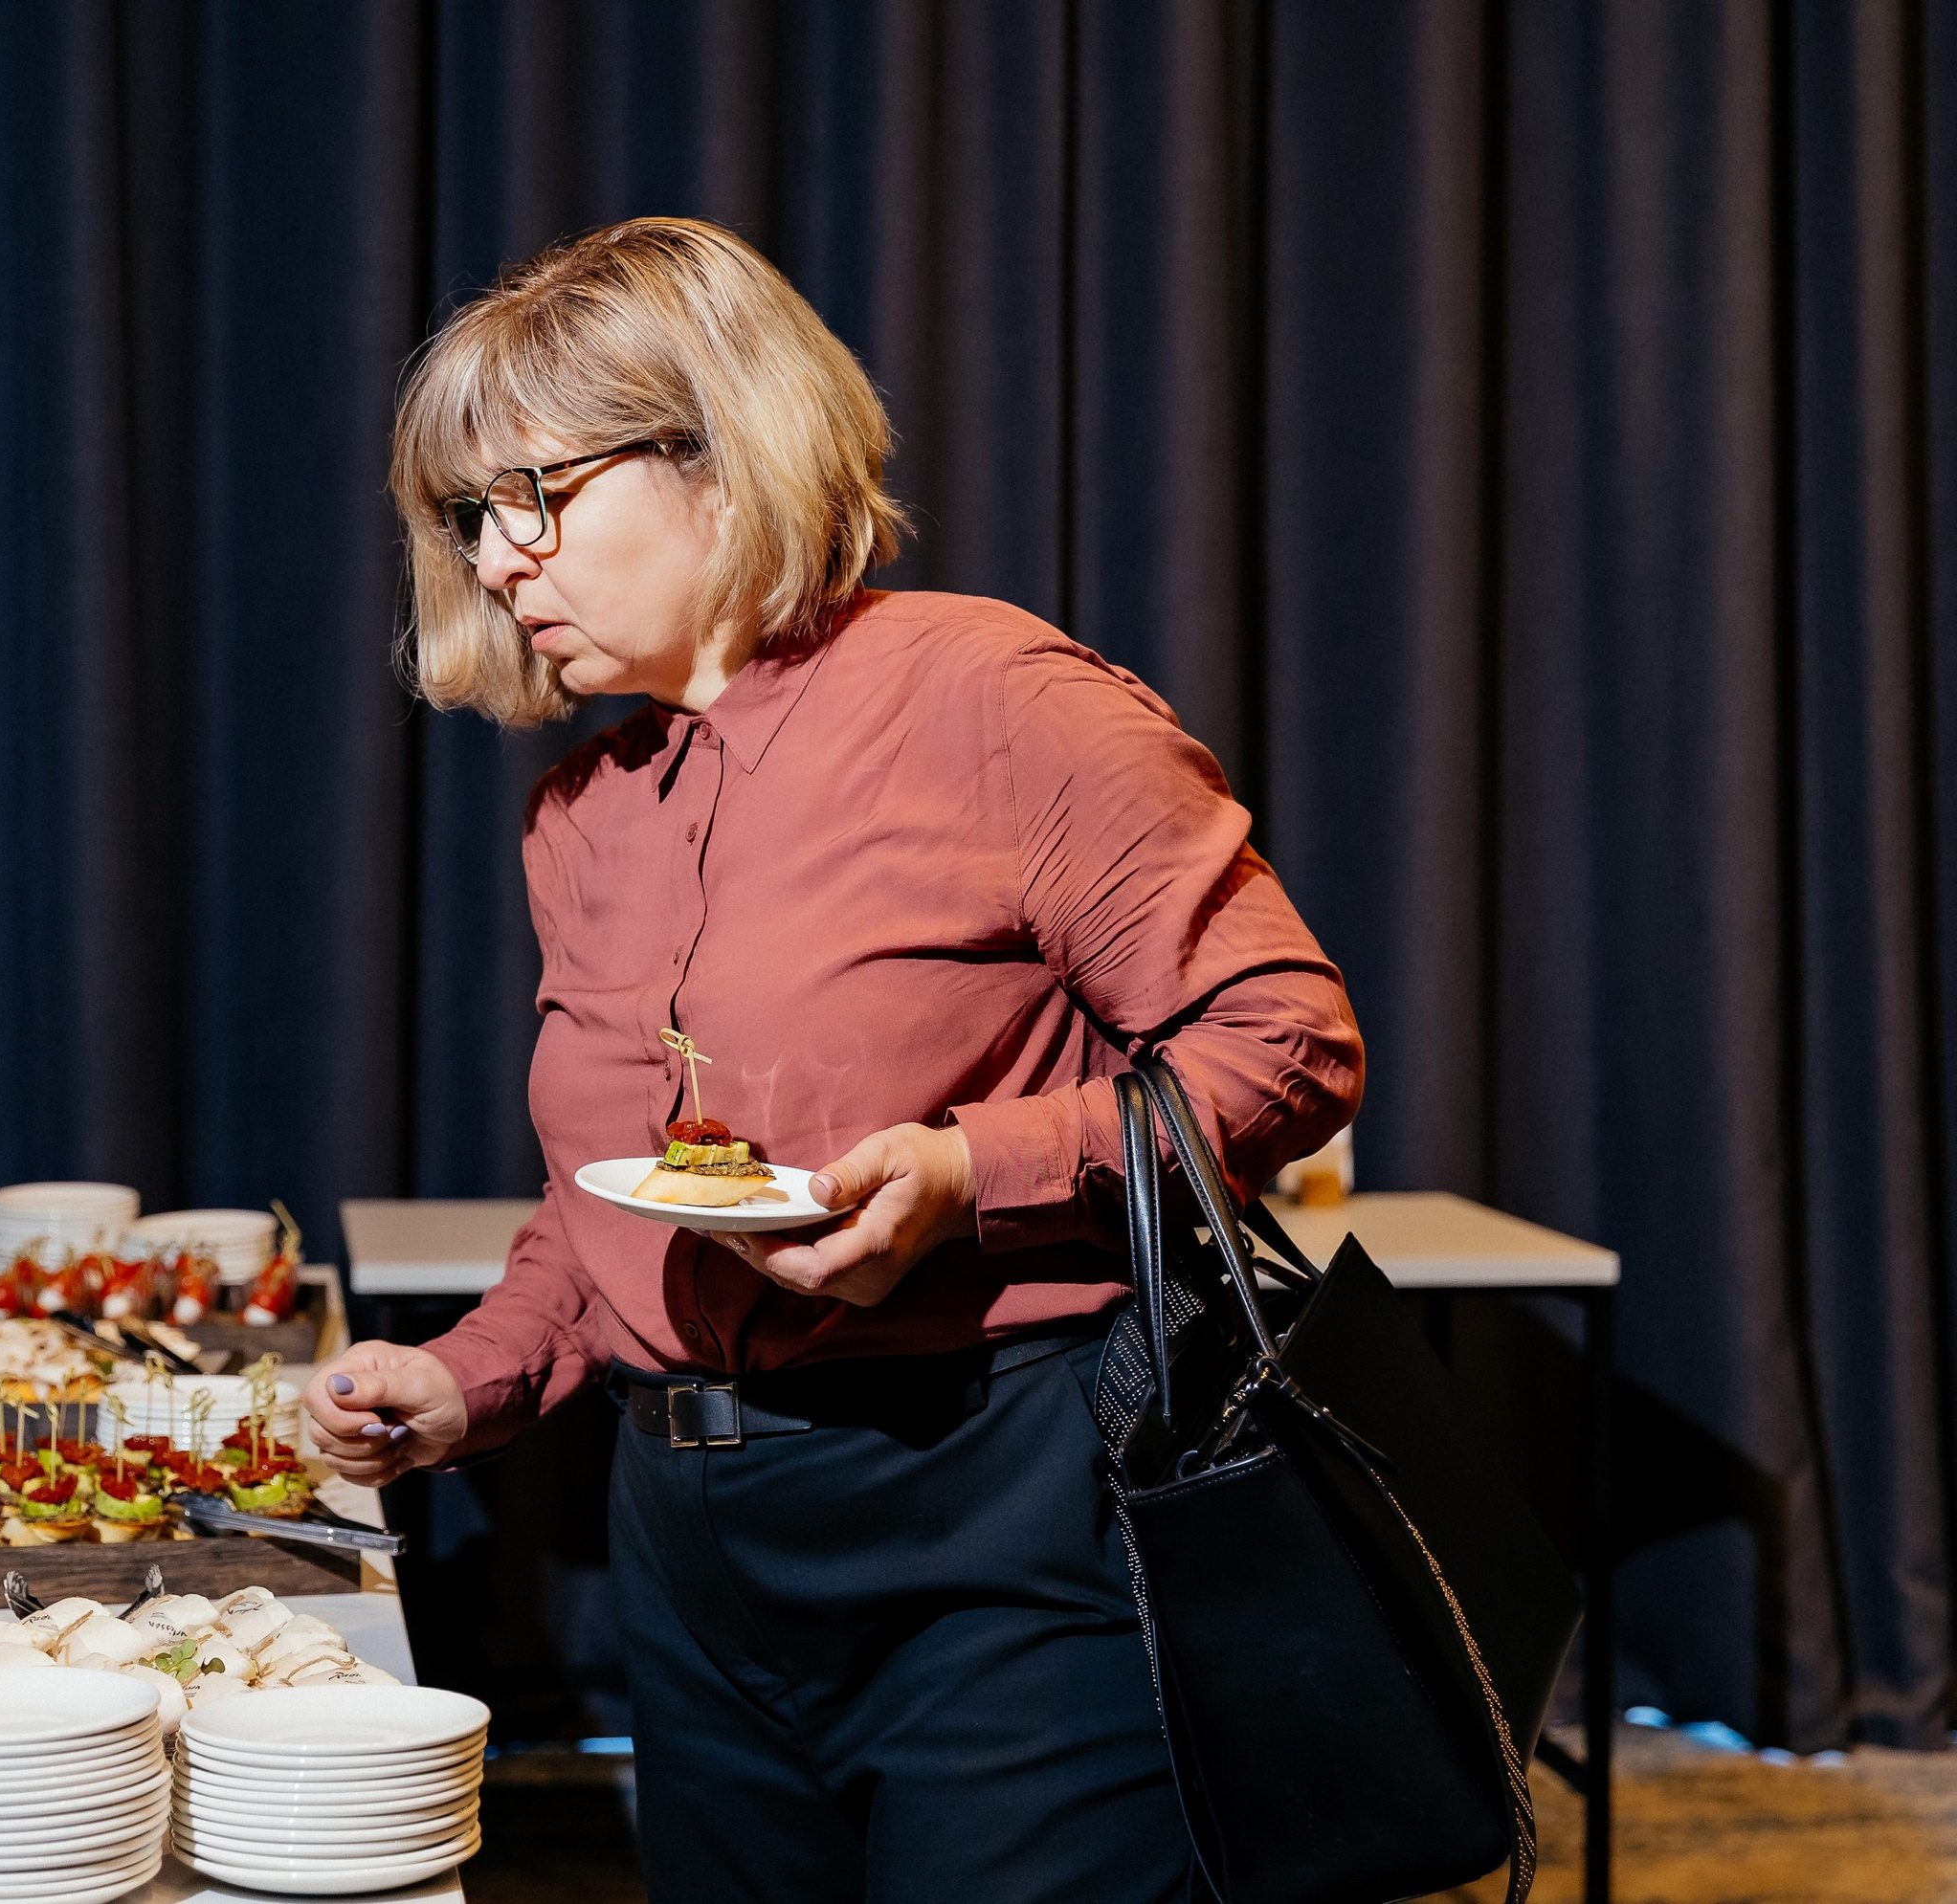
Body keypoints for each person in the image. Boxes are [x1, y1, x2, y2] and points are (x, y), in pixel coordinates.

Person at [302, 216, 1363, 1904]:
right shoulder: (581, 815)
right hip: (692, 1550)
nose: (498, 560)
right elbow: (616, 1202)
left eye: (533, 495)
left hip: (996, 1523)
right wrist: (472, 1375)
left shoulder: (992, 696)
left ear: (717, 453)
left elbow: (1283, 1039)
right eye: (468, 517)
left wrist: (969, 1176)